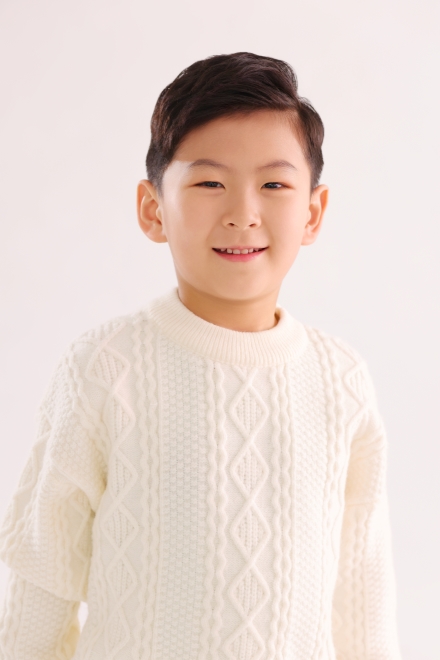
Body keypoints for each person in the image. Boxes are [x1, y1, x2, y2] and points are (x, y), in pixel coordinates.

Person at [0, 52, 402, 659]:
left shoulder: (340, 381)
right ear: (153, 208)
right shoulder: (107, 370)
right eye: (210, 183)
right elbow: (44, 576)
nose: (243, 213)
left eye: (274, 184)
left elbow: (363, 597)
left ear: (313, 212)